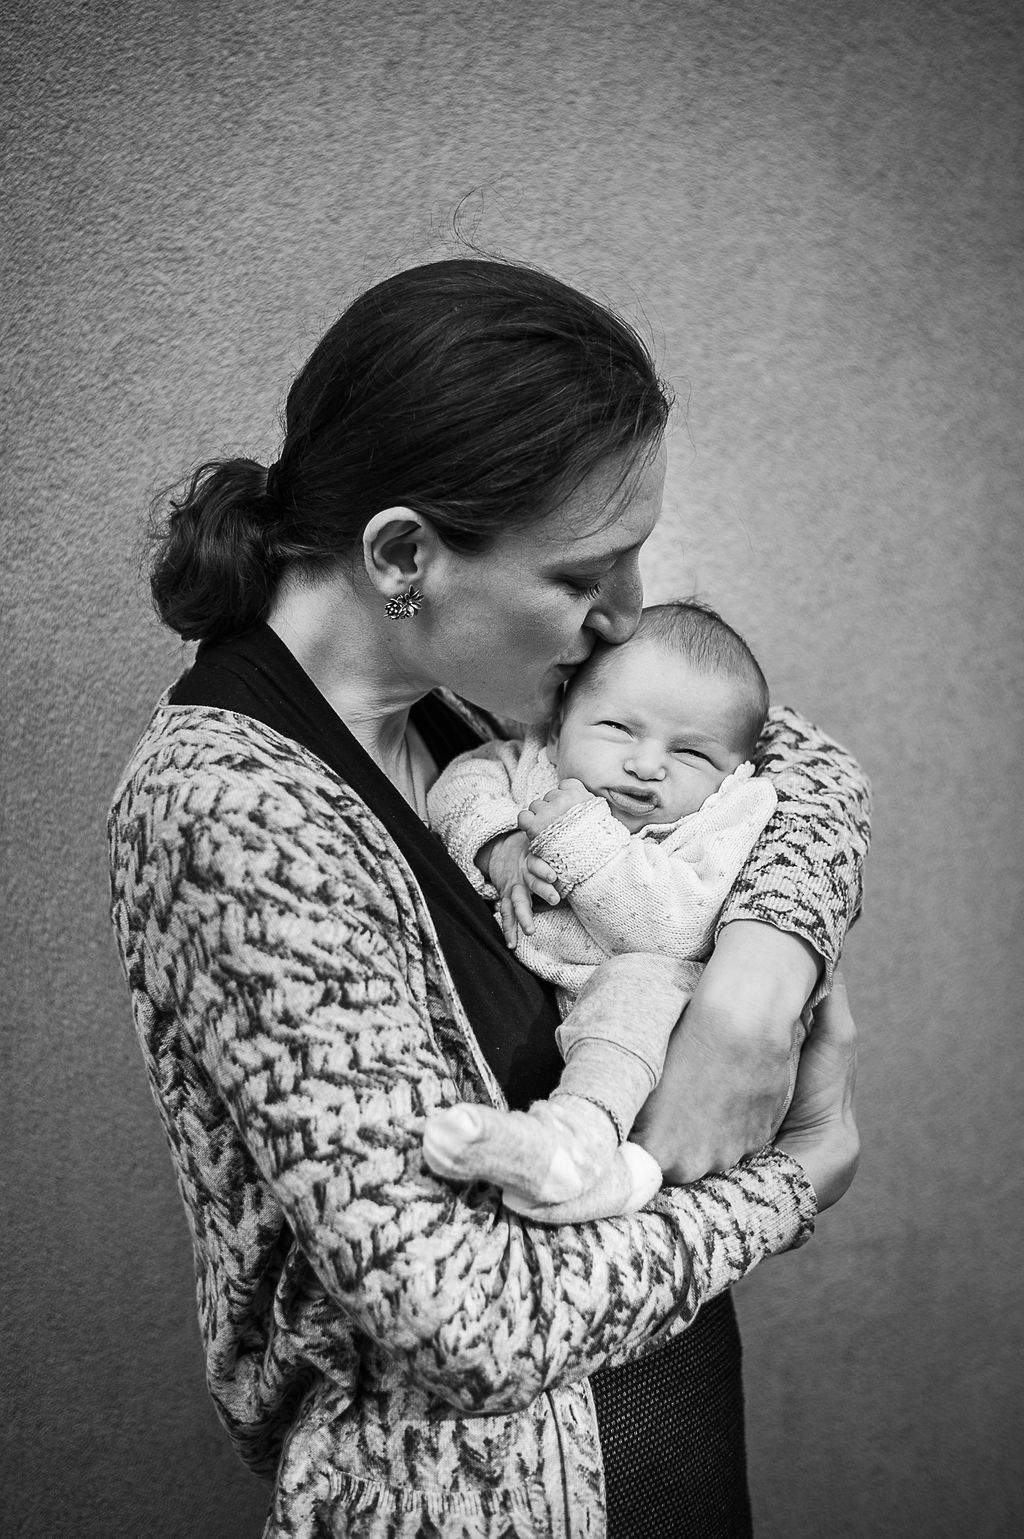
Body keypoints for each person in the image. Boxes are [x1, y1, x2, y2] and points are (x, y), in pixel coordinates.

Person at [108, 256, 868, 1539]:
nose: (627, 620)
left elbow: (808, 769)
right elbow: (466, 1325)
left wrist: (752, 990)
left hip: (672, 1452)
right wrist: (789, 1181)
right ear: (404, 554)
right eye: (583, 577)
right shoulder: (231, 810)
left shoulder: (479, 708)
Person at [424, 600, 781, 1222]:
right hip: (556, 1021)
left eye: (692, 755)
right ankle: (609, 1178)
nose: (647, 765)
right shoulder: (528, 763)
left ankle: (577, 1139)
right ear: (559, 723)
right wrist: (500, 847)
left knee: (638, 984)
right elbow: (456, 789)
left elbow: (676, 930)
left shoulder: (729, 815)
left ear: (736, 773)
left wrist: (581, 841)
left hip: (667, 1022)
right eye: (618, 728)